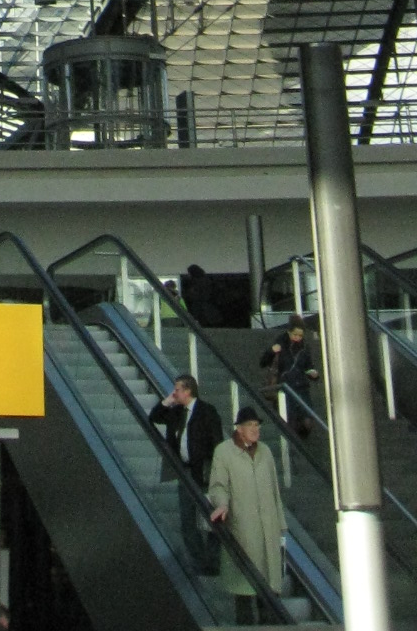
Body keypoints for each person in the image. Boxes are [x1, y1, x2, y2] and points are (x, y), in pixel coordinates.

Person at [208, 405, 285, 625]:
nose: (255, 429)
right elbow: (218, 485)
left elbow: (275, 490)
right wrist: (222, 505)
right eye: (250, 425)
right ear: (239, 429)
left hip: (268, 528)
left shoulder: (265, 452)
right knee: (243, 587)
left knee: (268, 589)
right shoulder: (224, 452)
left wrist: (280, 524)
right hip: (242, 528)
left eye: (257, 425)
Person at [149, 373, 224, 575]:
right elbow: (154, 417)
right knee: (188, 519)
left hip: (205, 472)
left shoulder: (207, 411)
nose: (174, 393)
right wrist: (167, 401)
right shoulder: (176, 412)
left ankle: (213, 561)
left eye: (177, 390)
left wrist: (217, 470)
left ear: (188, 390)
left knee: (212, 518)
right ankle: (199, 560)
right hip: (185, 471)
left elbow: (217, 442)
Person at [259, 318, 319, 437]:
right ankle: (293, 440)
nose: (297, 338)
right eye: (295, 334)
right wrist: (272, 351)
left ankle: (299, 438)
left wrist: (313, 374)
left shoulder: (304, 347)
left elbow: (308, 366)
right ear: (289, 332)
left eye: (300, 335)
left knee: (307, 420)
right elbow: (263, 363)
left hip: (301, 387)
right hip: (284, 387)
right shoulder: (280, 343)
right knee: (289, 420)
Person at [179, 264, 222, 328]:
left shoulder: (197, 282)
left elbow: (199, 295)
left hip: (202, 309)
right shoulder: (207, 280)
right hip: (207, 308)